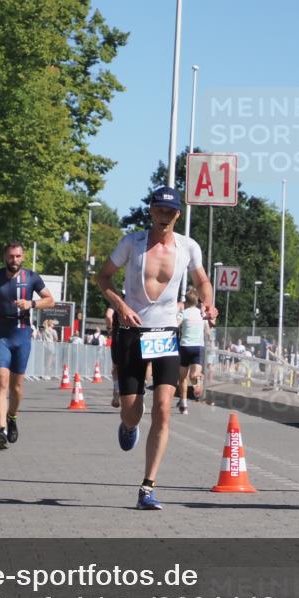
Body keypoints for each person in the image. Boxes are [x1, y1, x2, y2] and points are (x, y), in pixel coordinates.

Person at [96, 185, 217, 510]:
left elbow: (202, 281)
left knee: (164, 408)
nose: (164, 216)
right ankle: (127, 424)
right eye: (159, 210)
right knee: (133, 411)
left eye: (170, 211)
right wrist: (120, 305)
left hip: (165, 333)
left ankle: (147, 486)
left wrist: (209, 302)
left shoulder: (188, 247)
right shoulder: (131, 244)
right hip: (132, 332)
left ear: (177, 214)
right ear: (151, 210)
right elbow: (103, 278)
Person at [0, 241, 55, 450]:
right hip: (0, 335)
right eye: (11, 256)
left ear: (23, 257)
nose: (14, 260)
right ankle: (1, 430)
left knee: (16, 387)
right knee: (1, 383)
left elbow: (50, 300)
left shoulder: (32, 277)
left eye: (18, 256)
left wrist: (31, 304)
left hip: (22, 335)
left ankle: (12, 416)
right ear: (5, 257)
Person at [176, 288, 210, 415]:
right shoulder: (202, 315)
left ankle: (184, 403)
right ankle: (197, 380)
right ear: (197, 301)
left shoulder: (183, 313)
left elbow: (175, 324)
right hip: (198, 347)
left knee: (183, 377)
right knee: (193, 375)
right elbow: (207, 332)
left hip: (185, 346)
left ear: (186, 301)